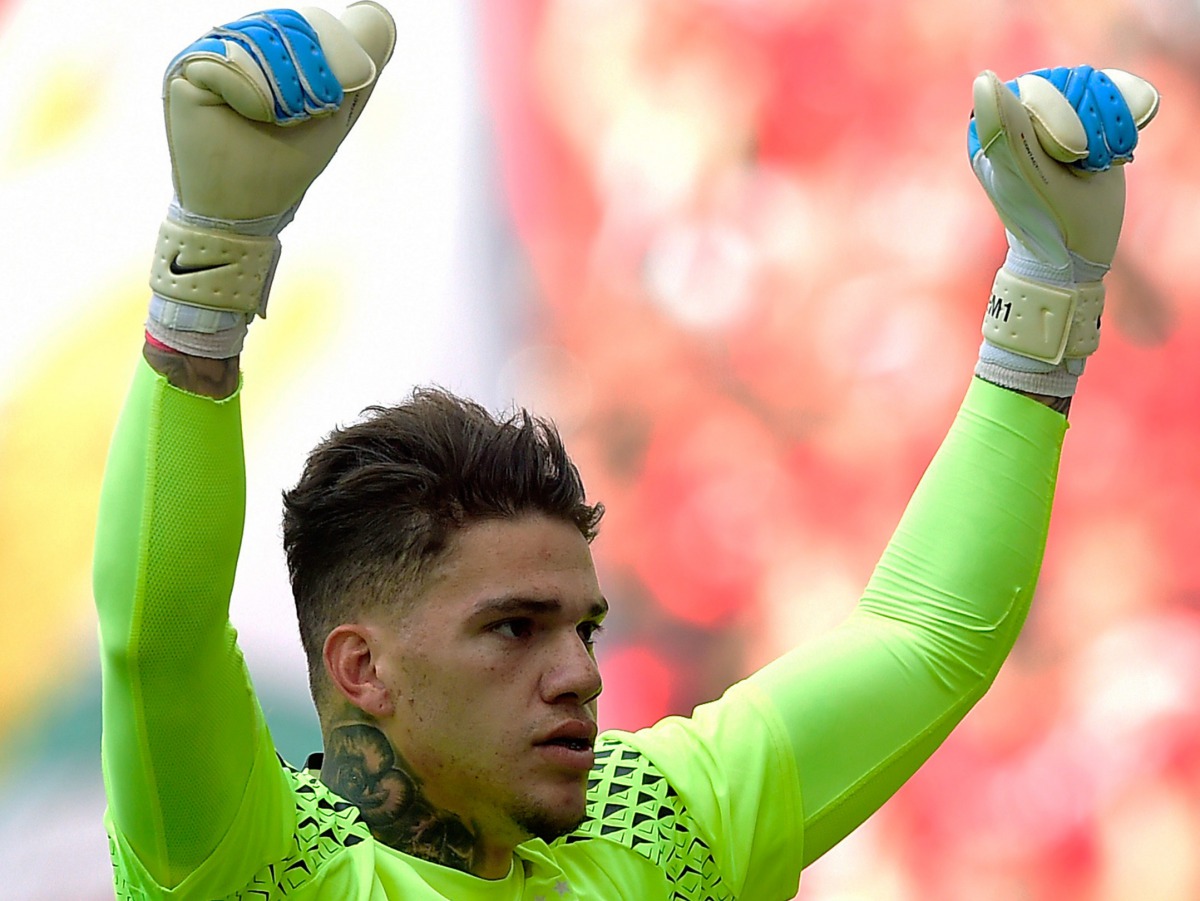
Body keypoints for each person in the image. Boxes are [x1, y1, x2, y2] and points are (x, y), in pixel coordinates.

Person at [92, 3, 1160, 899]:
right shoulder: (245, 861)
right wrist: (212, 262)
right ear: (363, 668)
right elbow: (158, 638)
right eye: (512, 629)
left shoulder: (657, 828)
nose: (580, 677)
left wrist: (1048, 301)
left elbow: (924, 640)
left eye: (580, 625)